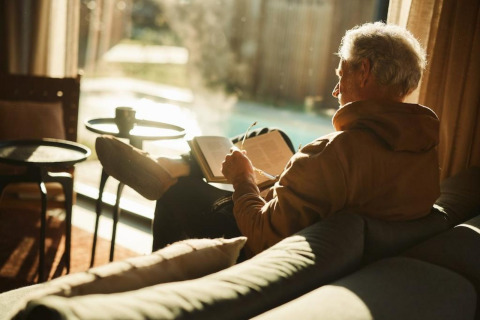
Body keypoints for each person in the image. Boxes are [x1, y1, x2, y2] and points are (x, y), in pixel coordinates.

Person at [96, 22, 440, 258]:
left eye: (342, 75)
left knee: (179, 195)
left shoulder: (334, 153)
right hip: (314, 219)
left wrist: (244, 180)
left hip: (261, 242)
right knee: (270, 137)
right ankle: (173, 166)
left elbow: (262, 235)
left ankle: (171, 174)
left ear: (363, 71)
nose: (336, 90)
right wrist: (282, 178)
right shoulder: (423, 149)